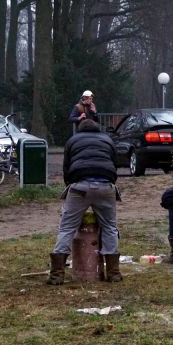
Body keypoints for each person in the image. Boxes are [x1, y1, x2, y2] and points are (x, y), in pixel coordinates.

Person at [47, 119, 121, 285]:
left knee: (67, 227)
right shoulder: (107, 140)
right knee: (109, 227)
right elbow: (114, 165)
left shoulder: (72, 140)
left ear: (80, 130)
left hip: (79, 186)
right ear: (98, 130)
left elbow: (66, 168)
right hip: (105, 186)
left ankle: (57, 274)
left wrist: (70, 186)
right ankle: (113, 273)